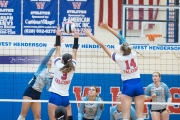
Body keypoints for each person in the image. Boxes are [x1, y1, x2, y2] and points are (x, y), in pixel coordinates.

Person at [84, 28, 145, 120]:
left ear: (121, 50)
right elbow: (120, 37)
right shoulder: (133, 53)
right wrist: (107, 27)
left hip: (128, 86)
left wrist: (90, 35)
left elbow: (103, 45)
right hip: (138, 84)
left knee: (125, 116)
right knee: (140, 116)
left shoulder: (118, 59)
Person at [17, 45, 59, 120]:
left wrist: (51, 80)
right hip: (30, 92)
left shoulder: (51, 74)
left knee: (38, 117)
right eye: (49, 60)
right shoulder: (41, 67)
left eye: (51, 60)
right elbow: (47, 56)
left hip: (37, 94)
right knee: (23, 114)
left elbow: (48, 89)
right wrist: (54, 47)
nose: (49, 60)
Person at [48, 26, 79, 120]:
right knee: (69, 118)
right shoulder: (72, 68)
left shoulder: (58, 65)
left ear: (62, 60)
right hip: (65, 97)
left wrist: (58, 35)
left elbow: (58, 49)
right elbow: (75, 51)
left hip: (55, 96)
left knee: (52, 118)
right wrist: (76, 37)